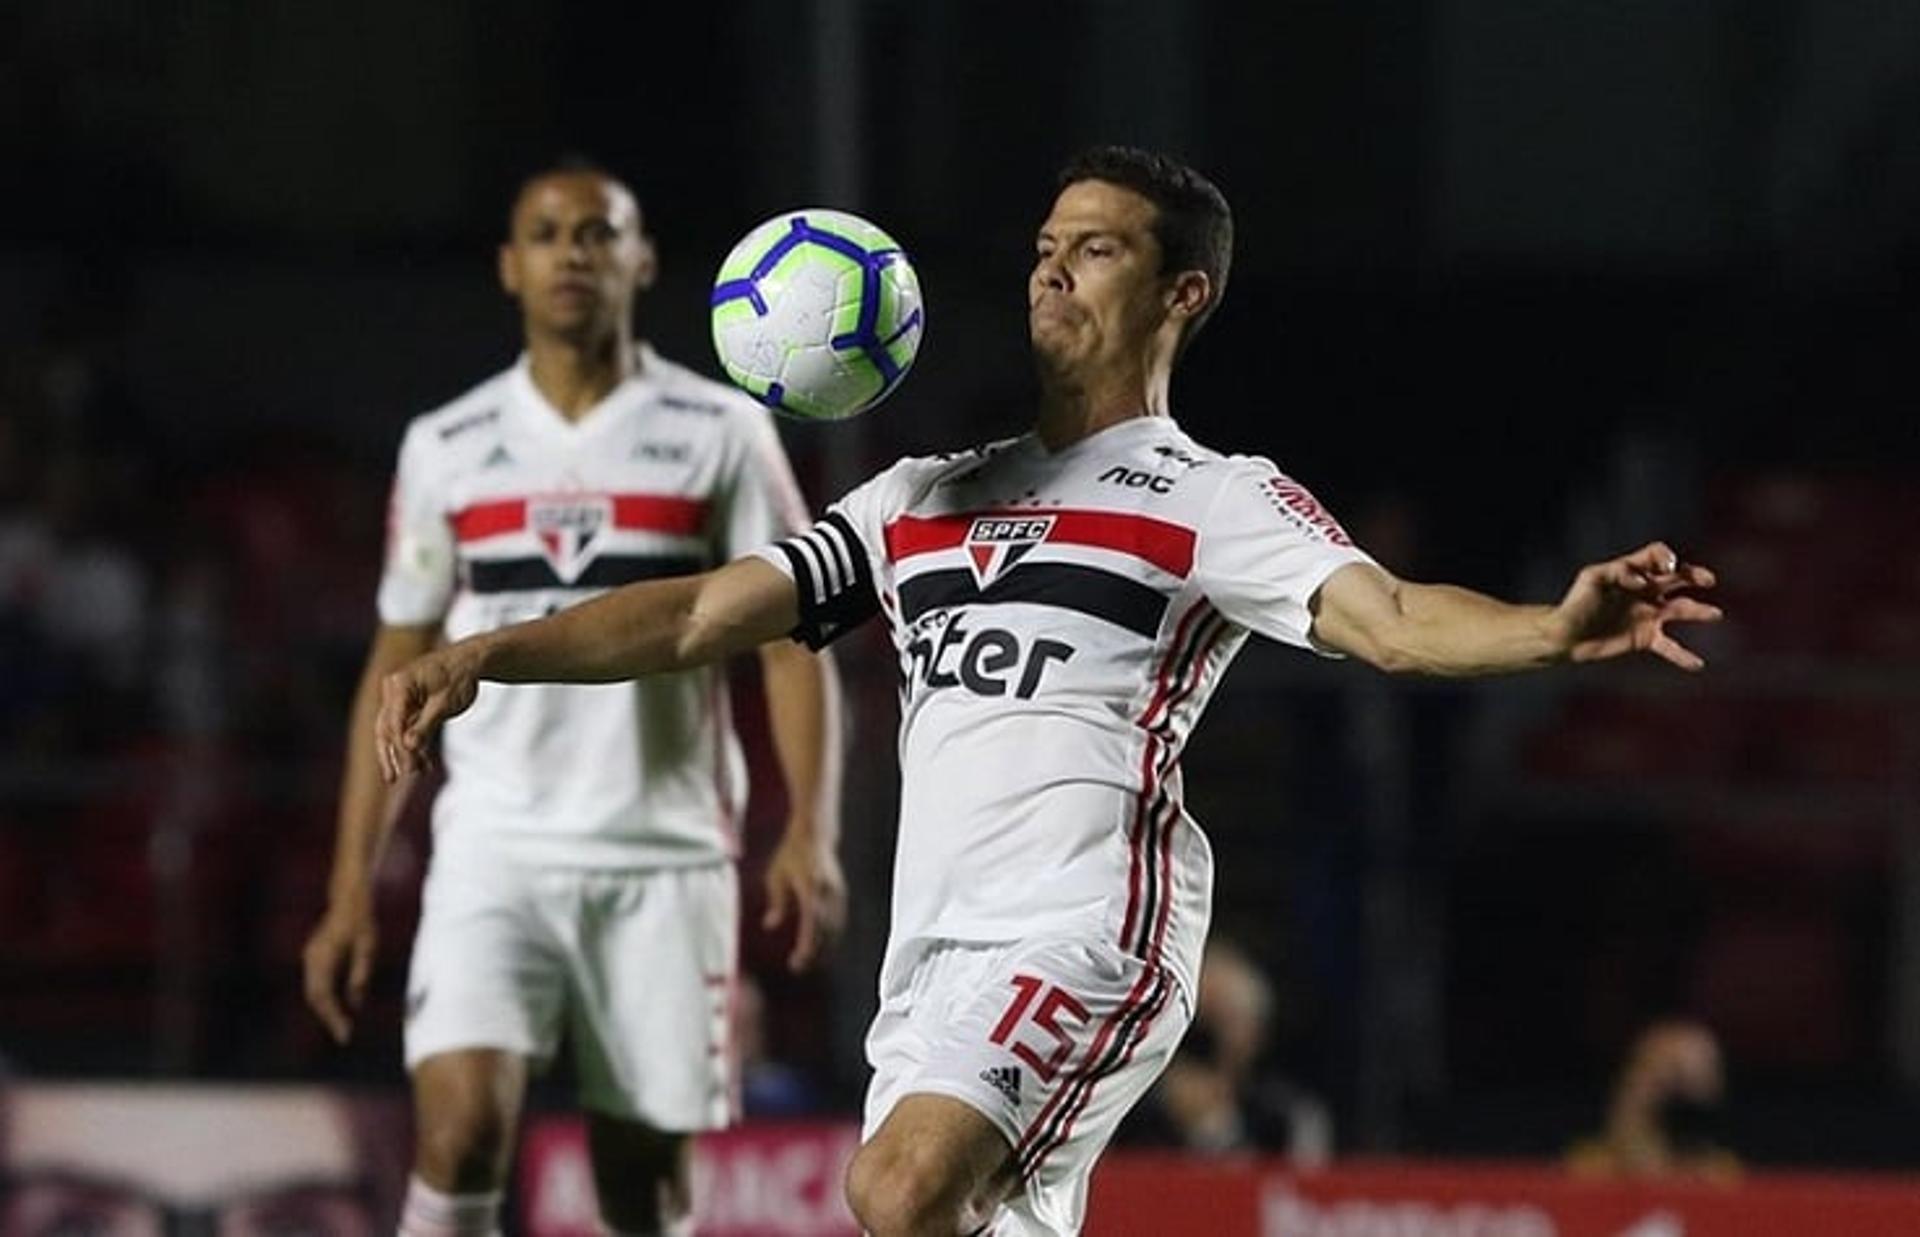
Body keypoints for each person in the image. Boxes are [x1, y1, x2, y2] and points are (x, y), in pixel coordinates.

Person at [370, 146, 1722, 1237]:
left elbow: (1392, 619)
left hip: (1093, 922)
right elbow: (706, 611)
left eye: (1096, 249)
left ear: (1182, 293)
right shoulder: (916, 499)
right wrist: (491, 649)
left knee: (897, 1191)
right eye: (1041, 248)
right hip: (933, 961)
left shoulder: (1210, 496)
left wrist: (1551, 628)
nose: (1052, 273)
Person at [301, 162, 845, 1237]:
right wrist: (349, 886)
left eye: (600, 233)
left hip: (665, 853)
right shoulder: (447, 444)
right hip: (493, 845)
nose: (574, 254)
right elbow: (396, 658)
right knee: (457, 1134)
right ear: (510, 266)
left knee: (640, 1188)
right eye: (547, 234)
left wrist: (810, 833)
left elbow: (791, 640)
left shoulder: (720, 429)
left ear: (642, 259)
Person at [1567, 1019, 1740, 1181]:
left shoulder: (1721, 1178)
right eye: (1672, 1073)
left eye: (1704, 1074)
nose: (1682, 1092)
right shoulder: (1589, 1171)